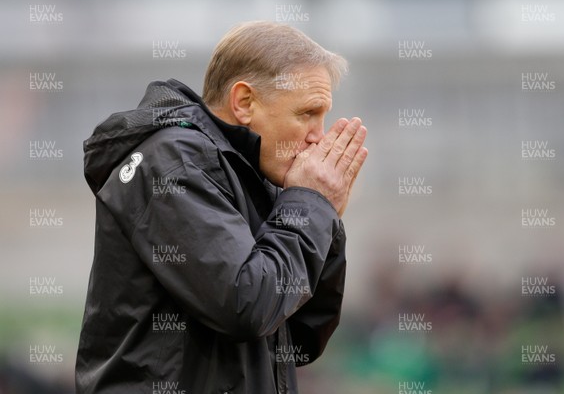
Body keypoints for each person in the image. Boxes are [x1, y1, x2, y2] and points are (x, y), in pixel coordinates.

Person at [75, 21, 368, 393]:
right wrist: (309, 207)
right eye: (307, 113)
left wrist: (321, 215)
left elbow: (301, 338)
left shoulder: (258, 177)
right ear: (244, 102)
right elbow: (246, 305)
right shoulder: (173, 164)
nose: (318, 135)